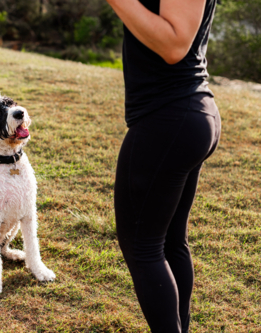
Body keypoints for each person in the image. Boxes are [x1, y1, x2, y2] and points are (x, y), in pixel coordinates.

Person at [105, 0, 221, 332]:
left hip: (170, 118)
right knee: (168, 241)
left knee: (142, 248)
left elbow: (174, 45)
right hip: (183, 114)